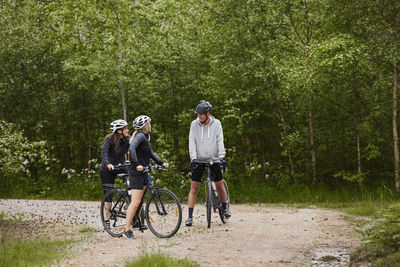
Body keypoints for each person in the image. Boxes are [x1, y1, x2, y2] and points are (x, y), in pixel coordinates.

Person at [122, 115, 169, 239]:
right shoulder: (140, 136)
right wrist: (137, 164)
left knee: (140, 201)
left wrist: (161, 162)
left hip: (144, 172)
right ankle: (127, 230)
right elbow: (131, 148)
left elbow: (150, 153)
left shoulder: (146, 137)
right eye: (149, 124)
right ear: (145, 126)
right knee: (136, 202)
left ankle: (136, 222)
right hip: (136, 173)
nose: (150, 126)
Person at [185, 100, 230, 227]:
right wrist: (193, 158)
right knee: (194, 188)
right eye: (198, 114)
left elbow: (220, 140)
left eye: (202, 114)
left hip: (214, 159)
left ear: (208, 113)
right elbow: (192, 142)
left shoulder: (217, 124)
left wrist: (221, 157)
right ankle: (189, 217)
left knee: (219, 185)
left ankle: (225, 207)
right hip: (199, 160)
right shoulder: (194, 124)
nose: (199, 116)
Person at [100, 119, 130, 229]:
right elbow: (104, 152)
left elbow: (135, 147)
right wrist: (108, 164)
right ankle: (106, 219)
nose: (128, 130)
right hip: (107, 169)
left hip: (121, 166)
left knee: (132, 185)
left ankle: (129, 206)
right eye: (125, 128)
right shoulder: (109, 140)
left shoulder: (127, 139)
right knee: (108, 193)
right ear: (119, 131)